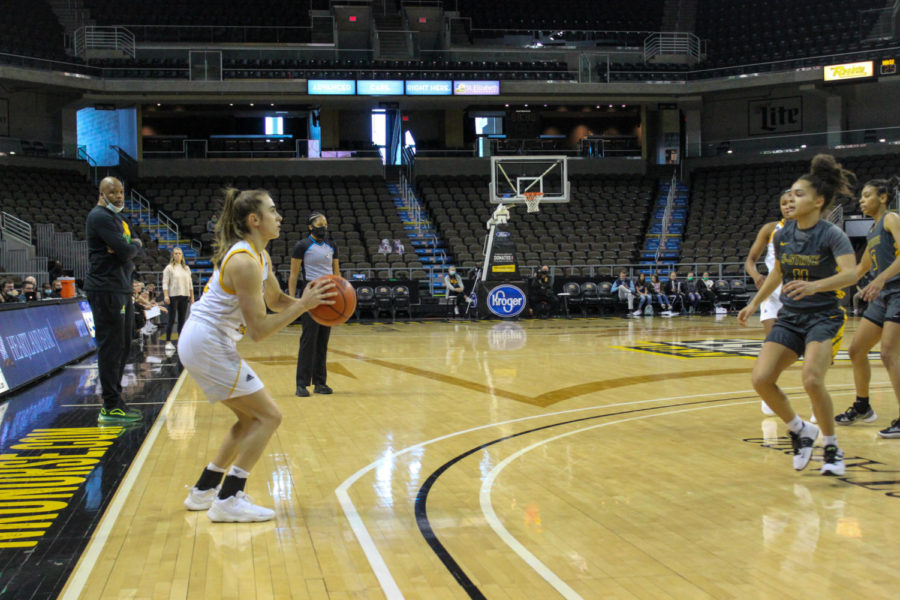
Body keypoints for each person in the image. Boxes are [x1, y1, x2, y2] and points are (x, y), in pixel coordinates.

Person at [179, 188, 335, 522]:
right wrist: (305, 306)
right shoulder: (244, 262)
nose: (279, 217)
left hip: (204, 340)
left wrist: (313, 308)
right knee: (270, 417)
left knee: (250, 418)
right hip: (208, 342)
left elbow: (277, 301)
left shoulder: (258, 255)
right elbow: (260, 331)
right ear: (254, 220)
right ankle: (229, 498)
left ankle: (203, 491)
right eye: (273, 211)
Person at [738, 154, 857, 476]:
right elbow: (778, 272)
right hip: (791, 317)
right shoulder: (782, 234)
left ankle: (831, 447)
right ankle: (800, 430)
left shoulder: (833, 234)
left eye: (799, 193)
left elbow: (852, 274)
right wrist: (754, 302)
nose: (791, 197)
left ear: (818, 201)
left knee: (812, 380)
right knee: (761, 379)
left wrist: (815, 286)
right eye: (790, 192)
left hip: (824, 316)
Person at [837, 176, 900, 435]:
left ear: (883, 198)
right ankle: (863, 406)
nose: (861, 201)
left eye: (867, 195)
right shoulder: (873, 229)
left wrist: (882, 277)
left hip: (898, 291)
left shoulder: (891, 218)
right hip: (882, 296)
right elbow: (860, 269)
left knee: (889, 354)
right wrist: (819, 286)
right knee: (856, 350)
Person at [84, 176, 144, 423]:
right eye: (113, 192)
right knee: (111, 347)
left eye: (121, 192)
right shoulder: (99, 217)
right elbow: (126, 250)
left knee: (123, 345)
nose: (119, 196)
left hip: (120, 288)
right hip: (105, 289)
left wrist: (131, 245)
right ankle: (109, 405)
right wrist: (129, 246)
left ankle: (117, 401)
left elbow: (131, 246)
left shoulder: (118, 218)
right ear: (101, 194)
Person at [744, 190, 793, 415]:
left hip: (797, 290)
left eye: (792, 201)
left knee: (808, 349)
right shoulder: (771, 229)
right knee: (772, 344)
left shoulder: (811, 230)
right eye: (783, 202)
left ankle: (816, 397)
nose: (788, 205)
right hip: (771, 292)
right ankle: (769, 393)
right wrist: (756, 276)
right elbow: (751, 260)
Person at [289, 212, 341, 398]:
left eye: (325, 223)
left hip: (328, 292)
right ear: (310, 227)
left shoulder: (332, 245)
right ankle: (301, 384)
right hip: (310, 291)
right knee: (308, 339)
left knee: (322, 341)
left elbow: (337, 273)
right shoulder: (302, 245)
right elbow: (294, 274)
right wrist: (293, 299)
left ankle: (320, 382)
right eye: (319, 224)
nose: (323, 227)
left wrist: (339, 294)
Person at [162, 247, 194, 352]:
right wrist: (166, 295)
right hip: (173, 295)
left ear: (182, 255)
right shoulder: (169, 268)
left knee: (182, 320)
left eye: (179, 253)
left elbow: (190, 284)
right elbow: (165, 283)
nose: (177, 255)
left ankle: (181, 342)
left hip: (184, 295)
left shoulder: (186, 268)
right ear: (173, 255)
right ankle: (168, 342)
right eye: (175, 253)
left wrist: (192, 297)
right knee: (171, 319)